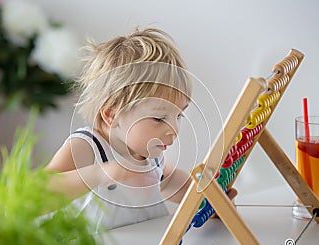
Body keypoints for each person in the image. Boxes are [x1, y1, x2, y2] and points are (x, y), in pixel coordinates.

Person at [46, 27, 236, 230]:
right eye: (159, 118)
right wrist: (100, 174)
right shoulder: (87, 147)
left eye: (178, 115)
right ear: (112, 114)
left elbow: (170, 181)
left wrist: (209, 199)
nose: (173, 128)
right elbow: (36, 193)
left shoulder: (149, 152)